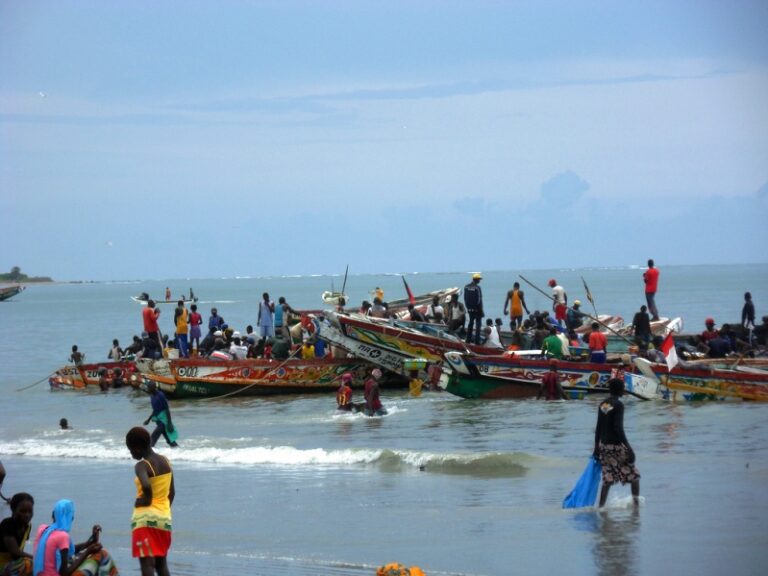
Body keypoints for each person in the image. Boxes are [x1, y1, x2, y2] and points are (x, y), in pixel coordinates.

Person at [125, 427, 174, 576]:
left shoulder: (141, 465)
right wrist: (162, 510)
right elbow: (172, 492)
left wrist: (146, 501)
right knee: (161, 564)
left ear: (137, 448)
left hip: (144, 520)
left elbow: (146, 485)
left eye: (131, 450)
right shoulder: (166, 461)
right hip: (164, 518)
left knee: (147, 564)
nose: (131, 453)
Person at [33, 499, 118, 576]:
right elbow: (64, 573)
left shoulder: (43, 529)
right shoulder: (62, 536)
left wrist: (91, 540)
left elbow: (68, 551)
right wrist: (88, 552)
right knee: (102, 554)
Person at [593, 378, 641, 507]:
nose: (624, 389)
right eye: (623, 387)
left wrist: (596, 447)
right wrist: (628, 448)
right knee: (634, 476)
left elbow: (599, 427)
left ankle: (601, 508)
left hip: (604, 446)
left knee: (608, 479)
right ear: (620, 390)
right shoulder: (618, 405)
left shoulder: (604, 404)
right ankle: (636, 507)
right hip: (615, 446)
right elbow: (618, 427)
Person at [0, 492, 34, 576]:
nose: (27, 515)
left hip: (14, 563)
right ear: (13, 509)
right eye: (23, 511)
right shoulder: (7, 524)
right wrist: (35, 557)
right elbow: (15, 552)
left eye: (30, 511)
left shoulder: (27, 526)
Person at [143, 383, 178, 448]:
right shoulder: (152, 396)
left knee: (154, 435)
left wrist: (169, 423)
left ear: (154, 388)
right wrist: (148, 420)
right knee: (169, 439)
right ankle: (179, 451)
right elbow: (155, 410)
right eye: (148, 388)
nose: (148, 389)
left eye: (149, 388)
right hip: (158, 420)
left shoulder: (161, 395)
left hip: (164, 420)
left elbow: (167, 409)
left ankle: (148, 451)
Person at [463, 273, 484, 344]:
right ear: (477, 280)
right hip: (477, 309)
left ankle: (468, 340)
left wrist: (468, 308)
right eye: (479, 279)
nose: (480, 281)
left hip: (470, 309)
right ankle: (477, 342)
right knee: (478, 325)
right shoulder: (477, 288)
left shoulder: (466, 287)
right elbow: (479, 300)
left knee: (470, 324)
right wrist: (481, 310)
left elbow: (465, 298)